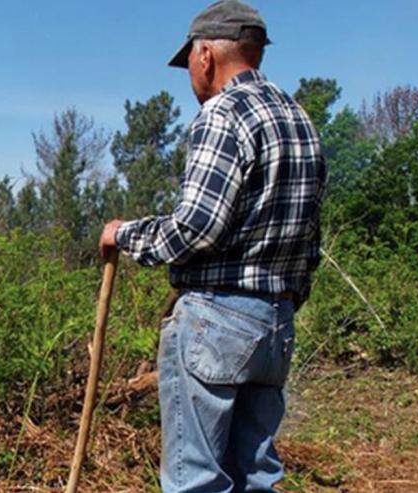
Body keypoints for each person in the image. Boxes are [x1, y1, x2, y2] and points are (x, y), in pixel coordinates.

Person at [98, 1, 326, 491]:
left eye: (189, 66)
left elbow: (196, 228)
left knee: (195, 479)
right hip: (276, 322)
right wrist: (281, 305)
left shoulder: (222, 115)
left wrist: (124, 234)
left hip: (217, 322)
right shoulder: (299, 118)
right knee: (257, 475)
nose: (191, 77)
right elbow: (311, 239)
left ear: (205, 55)